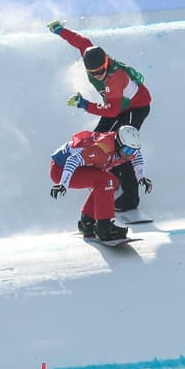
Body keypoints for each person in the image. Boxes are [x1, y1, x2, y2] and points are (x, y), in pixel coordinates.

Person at [49, 19, 152, 212]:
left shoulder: (114, 79)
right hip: (118, 106)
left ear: (106, 63)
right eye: (93, 73)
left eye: (101, 71)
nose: (98, 75)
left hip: (134, 108)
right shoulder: (92, 55)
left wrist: (85, 104)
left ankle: (130, 198)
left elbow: (112, 111)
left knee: (120, 147)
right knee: (97, 142)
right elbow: (82, 42)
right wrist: (61, 31)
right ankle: (105, 181)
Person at [49, 124, 152, 242]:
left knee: (110, 181)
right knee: (106, 181)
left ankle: (87, 222)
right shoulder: (102, 150)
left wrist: (141, 177)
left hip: (77, 166)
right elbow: (73, 160)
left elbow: (137, 156)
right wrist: (63, 183)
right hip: (61, 170)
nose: (130, 154)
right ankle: (104, 228)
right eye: (127, 150)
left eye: (133, 150)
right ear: (119, 144)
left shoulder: (126, 149)